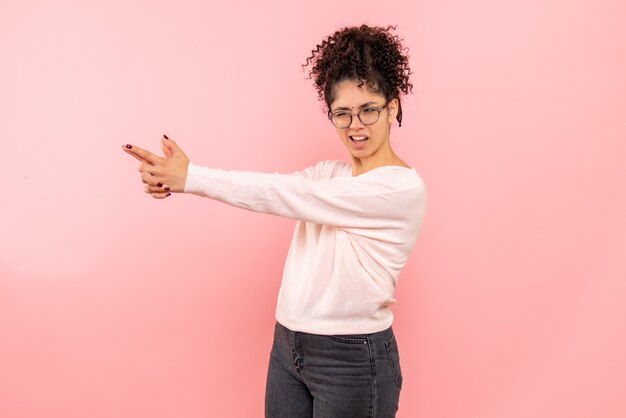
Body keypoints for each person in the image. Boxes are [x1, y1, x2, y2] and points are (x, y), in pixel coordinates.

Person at [122, 24, 427, 418]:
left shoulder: (400, 188)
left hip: (351, 359)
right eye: (342, 114)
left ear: (392, 107)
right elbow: (280, 189)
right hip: (288, 347)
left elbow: (288, 195)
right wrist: (175, 180)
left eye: (368, 109)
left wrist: (192, 178)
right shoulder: (327, 174)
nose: (356, 125)